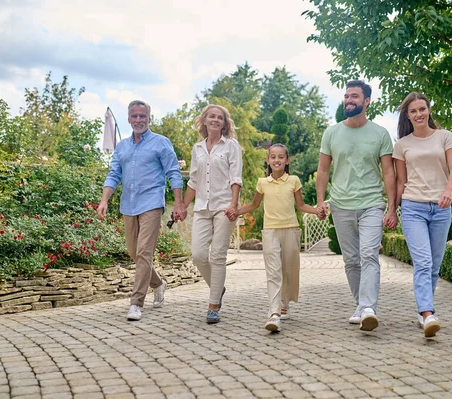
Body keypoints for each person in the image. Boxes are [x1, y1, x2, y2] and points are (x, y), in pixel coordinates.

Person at [316, 80, 397, 332]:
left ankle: (369, 307)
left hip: (372, 203)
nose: (349, 100)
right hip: (341, 205)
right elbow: (322, 170)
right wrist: (320, 201)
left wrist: (392, 207)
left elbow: (389, 173)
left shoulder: (380, 134)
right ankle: (361, 306)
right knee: (351, 260)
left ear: (366, 101)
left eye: (354, 96)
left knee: (369, 254)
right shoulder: (331, 133)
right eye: (346, 96)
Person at [97, 100, 186, 321]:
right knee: (134, 253)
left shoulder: (161, 143)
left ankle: (136, 303)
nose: (138, 120)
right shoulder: (122, 147)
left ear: (149, 118)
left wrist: (178, 202)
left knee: (144, 252)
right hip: (128, 203)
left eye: (142, 116)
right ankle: (158, 283)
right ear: (129, 119)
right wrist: (104, 200)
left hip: (151, 203)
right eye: (134, 116)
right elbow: (114, 174)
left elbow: (174, 173)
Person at [227, 144, 322, 332]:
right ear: (268, 160)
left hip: (291, 229)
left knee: (288, 269)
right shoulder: (262, 182)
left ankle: (284, 301)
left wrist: (317, 211)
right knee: (273, 271)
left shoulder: (293, 180)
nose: (276, 160)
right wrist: (236, 211)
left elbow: (301, 205)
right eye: (273, 157)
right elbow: (254, 204)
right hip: (270, 231)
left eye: (280, 157)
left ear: (287, 161)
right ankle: (274, 313)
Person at [393, 92, 452, 337]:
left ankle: (423, 310)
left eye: (422, 109)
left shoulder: (445, 137)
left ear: (428, 110)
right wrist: (392, 209)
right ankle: (427, 313)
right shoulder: (402, 145)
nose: (419, 114)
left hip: (441, 208)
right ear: (407, 116)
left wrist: (449, 190)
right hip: (413, 208)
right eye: (413, 111)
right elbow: (401, 181)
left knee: (434, 265)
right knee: (423, 262)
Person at [180, 104, 242, 324]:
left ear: (225, 123)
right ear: (204, 121)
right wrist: (183, 206)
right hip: (202, 207)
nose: (216, 120)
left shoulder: (231, 145)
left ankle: (213, 305)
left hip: (224, 206)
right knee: (198, 255)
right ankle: (218, 288)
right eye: (212, 117)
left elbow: (236, 178)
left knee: (217, 256)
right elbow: (193, 181)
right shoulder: (197, 148)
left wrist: (234, 205)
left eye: (220, 118)